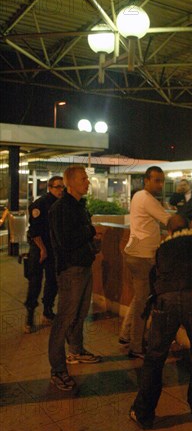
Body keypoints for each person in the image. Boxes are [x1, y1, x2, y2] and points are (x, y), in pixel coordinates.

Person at [129, 214, 192, 429]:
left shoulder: (163, 248)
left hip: (166, 301)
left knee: (155, 358)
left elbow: (154, 277)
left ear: (168, 232)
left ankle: (144, 412)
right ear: (189, 226)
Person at [48, 166, 101, 391]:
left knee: (80, 314)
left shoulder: (79, 206)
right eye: (83, 179)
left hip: (84, 266)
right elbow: (65, 240)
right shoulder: (61, 208)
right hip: (70, 270)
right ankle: (58, 369)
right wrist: (90, 232)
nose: (87, 182)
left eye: (87, 178)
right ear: (70, 182)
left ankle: (76, 351)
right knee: (64, 319)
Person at [120, 166, 170, 358]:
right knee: (143, 301)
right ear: (146, 181)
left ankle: (126, 334)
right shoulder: (148, 199)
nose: (160, 184)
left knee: (140, 296)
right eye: (156, 180)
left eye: (162, 180)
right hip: (142, 257)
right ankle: (136, 346)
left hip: (135, 253)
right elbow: (169, 220)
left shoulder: (138, 196)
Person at [24, 176, 64, 333]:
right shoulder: (40, 204)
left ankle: (47, 311)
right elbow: (34, 231)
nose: (61, 190)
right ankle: (29, 317)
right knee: (35, 282)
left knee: (52, 281)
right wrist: (42, 249)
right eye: (58, 187)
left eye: (62, 187)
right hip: (38, 247)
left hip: (53, 248)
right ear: (50, 188)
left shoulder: (61, 204)